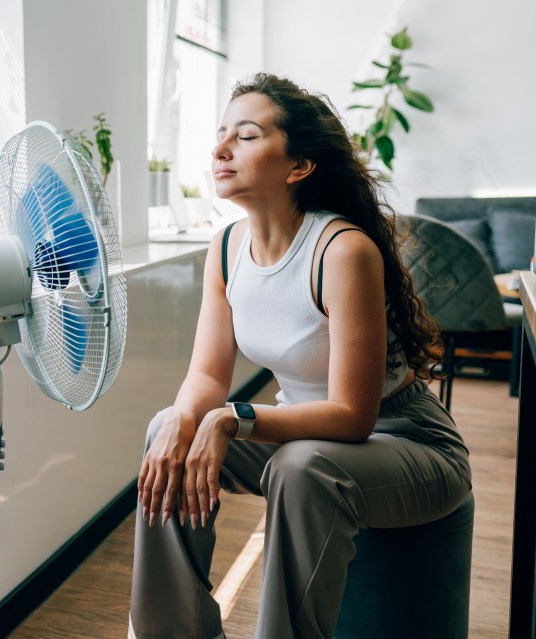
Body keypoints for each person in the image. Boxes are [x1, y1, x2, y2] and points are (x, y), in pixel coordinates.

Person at [128, 73, 472, 639]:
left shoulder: (342, 250)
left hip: (406, 442)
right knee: (167, 428)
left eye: (246, 135)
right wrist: (186, 418)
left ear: (298, 166)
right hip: (308, 439)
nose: (220, 149)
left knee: (300, 466)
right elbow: (207, 374)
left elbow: (353, 416)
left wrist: (234, 419)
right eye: (221, 135)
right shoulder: (225, 248)